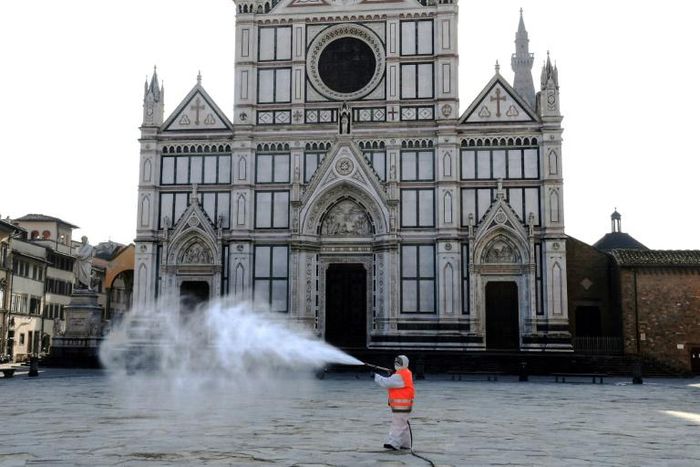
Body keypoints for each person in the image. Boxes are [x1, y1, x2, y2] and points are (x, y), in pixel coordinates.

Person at [374, 355, 415, 450]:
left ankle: (394, 443)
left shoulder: (400, 375)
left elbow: (387, 382)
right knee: (403, 424)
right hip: (404, 406)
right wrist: (391, 374)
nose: (396, 364)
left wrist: (376, 376)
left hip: (401, 406)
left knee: (397, 424)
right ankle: (406, 444)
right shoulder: (405, 373)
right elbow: (394, 381)